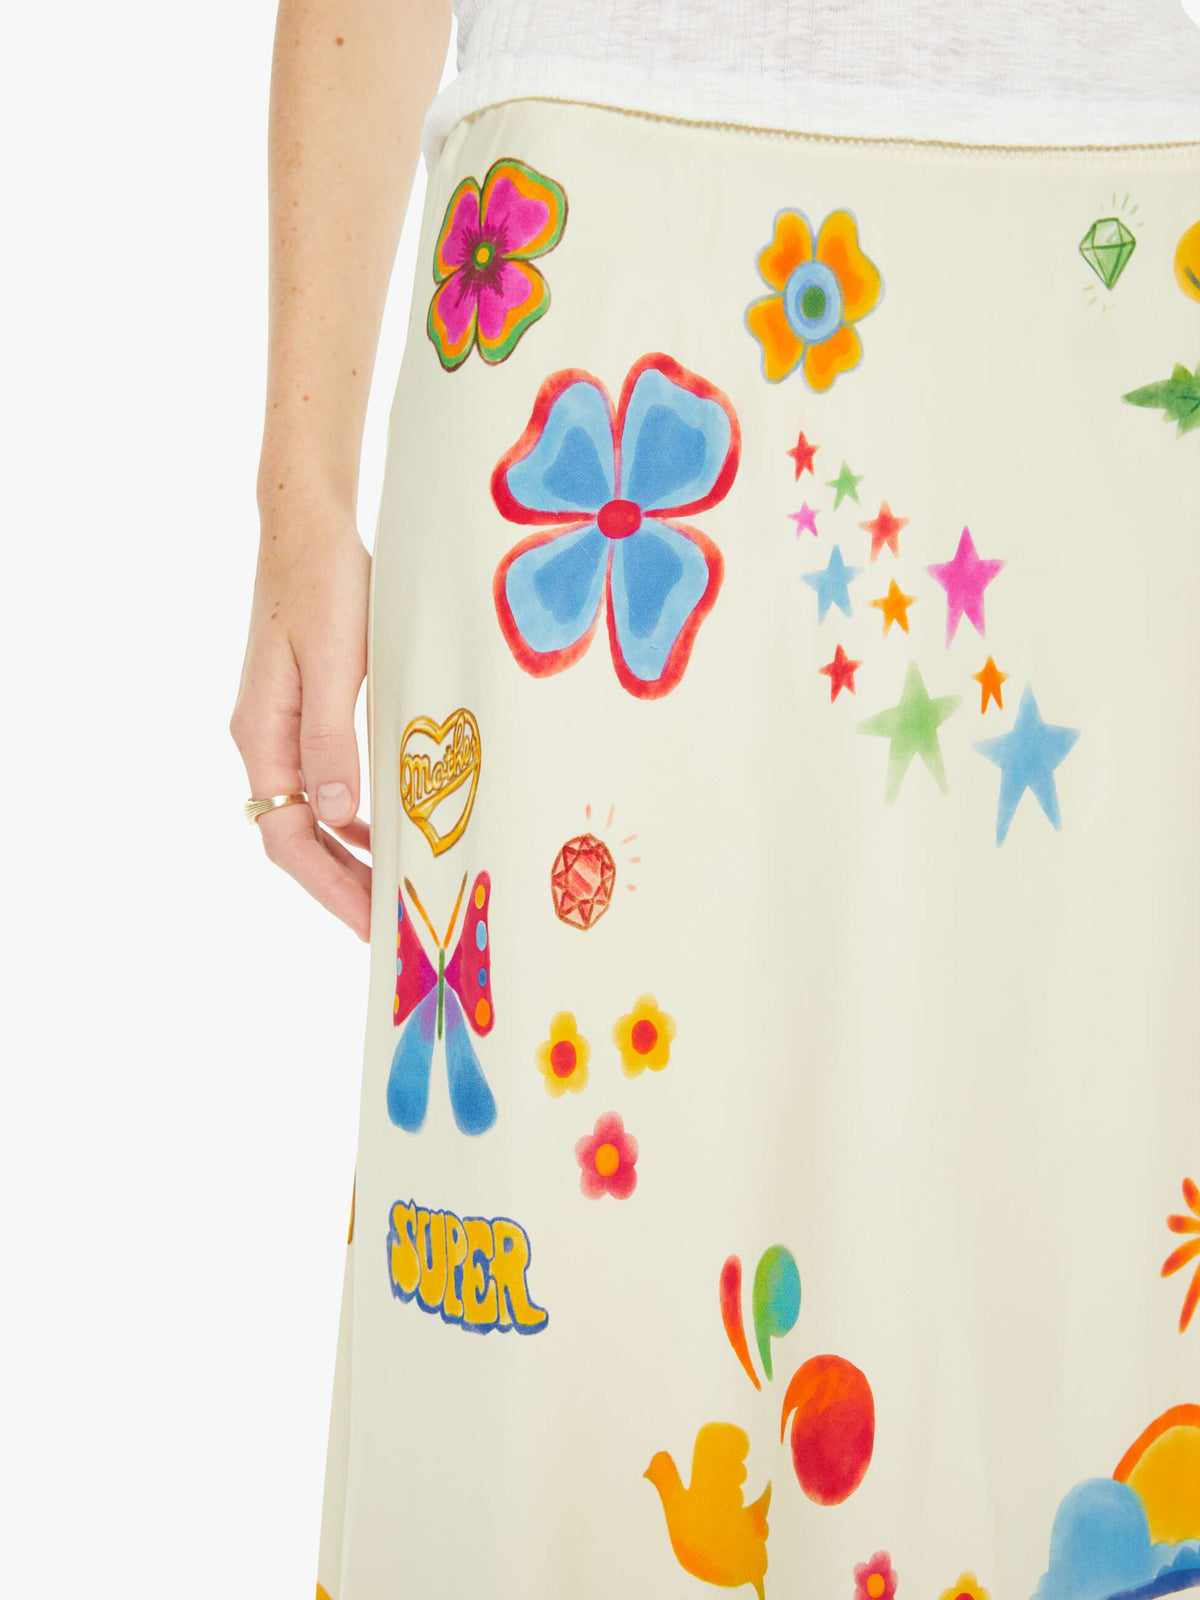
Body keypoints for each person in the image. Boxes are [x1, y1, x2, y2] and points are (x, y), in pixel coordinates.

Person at [231, 4, 1200, 1596]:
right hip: (604, 291)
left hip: (1133, 296)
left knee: (1085, 1236)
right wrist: (299, 496)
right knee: (571, 1279)